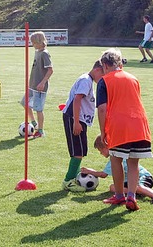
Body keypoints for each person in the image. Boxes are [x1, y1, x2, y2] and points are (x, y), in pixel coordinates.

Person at [96, 48, 152, 211]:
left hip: (119, 125)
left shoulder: (104, 81)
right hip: (139, 124)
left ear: (105, 65)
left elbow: (102, 109)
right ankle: (131, 196)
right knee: (133, 163)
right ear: (119, 63)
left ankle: (119, 196)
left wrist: (103, 132)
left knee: (116, 159)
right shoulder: (133, 78)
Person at [81, 136, 153, 204]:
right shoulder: (114, 158)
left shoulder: (116, 157)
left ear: (107, 146)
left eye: (101, 150)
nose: (101, 153)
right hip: (128, 181)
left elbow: (103, 175)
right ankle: (135, 193)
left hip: (142, 177)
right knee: (113, 187)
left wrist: (90, 171)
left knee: (139, 186)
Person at [60, 60, 104, 192]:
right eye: (103, 75)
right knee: (77, 151)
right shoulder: (86, 80)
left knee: (81, 150)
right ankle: (68, 181)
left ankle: (74, 176)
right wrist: (76, 122)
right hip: (75, 118)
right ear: (97, 70)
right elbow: (77, 99)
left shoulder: (88, 80)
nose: (103, 79)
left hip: (79, 119)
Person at [19, 31, 53, 138]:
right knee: (25, 103)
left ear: (40, 42)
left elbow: (50, 70)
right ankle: (34, 124)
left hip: (39, 87)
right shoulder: (37, 52)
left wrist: (42, 82)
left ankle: (41, 131)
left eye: (34, 42)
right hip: (32, 85)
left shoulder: (44, 54)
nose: (32, 45)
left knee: (38, 109)